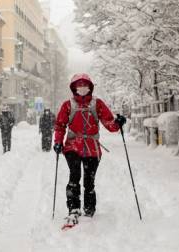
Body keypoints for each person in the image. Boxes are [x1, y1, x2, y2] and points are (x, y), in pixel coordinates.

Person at [53, 73, 127, 226]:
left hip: (92, 148)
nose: (82, 88)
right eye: (78, 86)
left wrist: (118, 123)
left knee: (89, 180)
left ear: (90, 87)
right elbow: (60, 125)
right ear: (74, 88)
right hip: (72, 146)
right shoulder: (68, 105)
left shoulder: (97, 104)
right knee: (74, 176)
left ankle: (89, 208)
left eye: (85, 85)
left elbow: (110, 124)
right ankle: (73, 209)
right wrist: (58, 142)